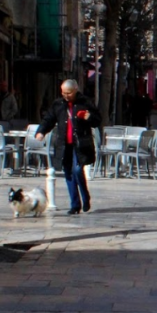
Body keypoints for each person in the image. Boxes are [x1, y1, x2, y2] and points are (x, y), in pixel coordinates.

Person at [35, 80, 101, 215]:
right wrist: (41, 131)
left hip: (80, 143)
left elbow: (97, 120)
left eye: (69, 93)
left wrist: (88, 117)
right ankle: (75, 204)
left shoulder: (85, 102)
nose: (66, 95)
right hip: (64, 144)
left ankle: (85, 197)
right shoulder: (58, 104)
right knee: (68, 173)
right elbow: (49, 119)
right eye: (63, 93)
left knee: (77, 170)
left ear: (76, 90)